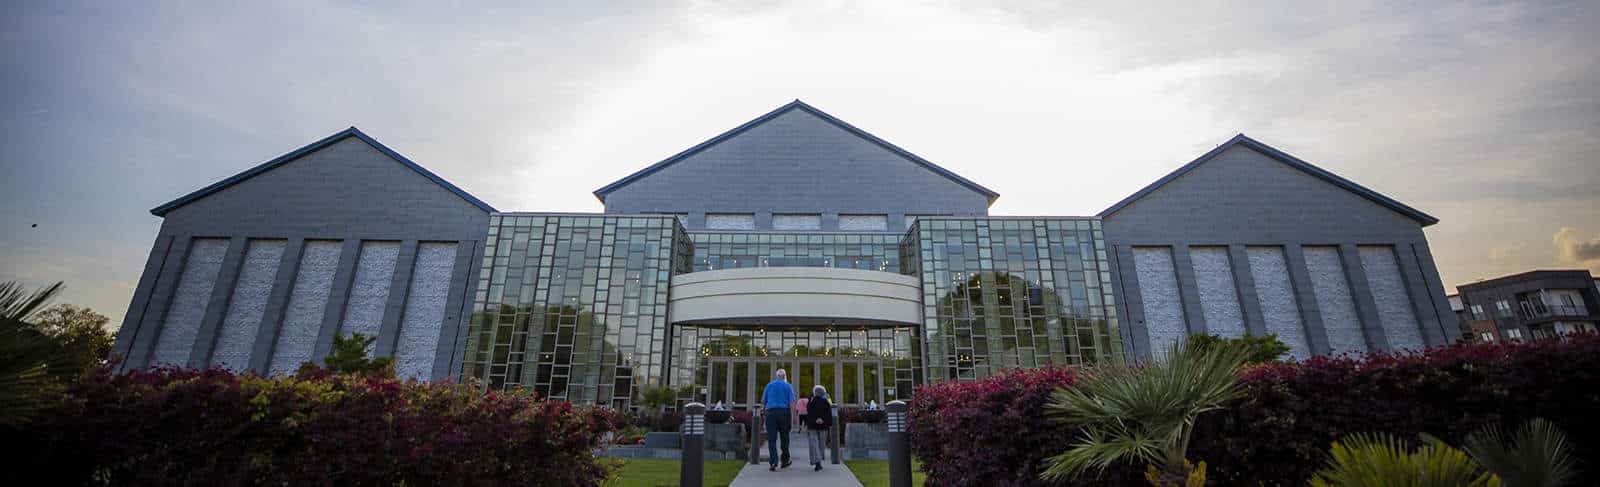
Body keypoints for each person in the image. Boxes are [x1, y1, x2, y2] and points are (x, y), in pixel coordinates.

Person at [760, 368, 796, 471]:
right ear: (784, 376)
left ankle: (773, 462)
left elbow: (763, 402)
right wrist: (794, 416)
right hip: (784, 413)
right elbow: (792, 403)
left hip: (771, 413)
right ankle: (785, 461)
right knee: (785, 438)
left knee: (771, 439)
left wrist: (763, 413)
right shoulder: (788, 386)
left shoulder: (769, 385)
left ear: (777, 376)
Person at [804, 385, 833, 471]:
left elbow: (809, 413)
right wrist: (822, 419)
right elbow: (829, 413)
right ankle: (819, 460)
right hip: (823, 426)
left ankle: (817, 461)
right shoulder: (826, 402)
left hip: (813, 425)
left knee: (814, 443)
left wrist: (815, 420)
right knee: (821, 444)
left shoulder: (811, 401)